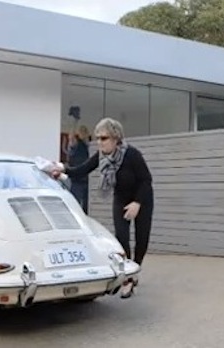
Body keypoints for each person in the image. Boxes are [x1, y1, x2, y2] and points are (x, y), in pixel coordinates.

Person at [52, 117, 154, 299]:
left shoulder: (132, 155)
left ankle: (136, 268)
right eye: (97, 138)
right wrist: (61, 170)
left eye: (104, 138)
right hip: (121, 198)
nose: (99, 142)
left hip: (142, 199)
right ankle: (128, 278)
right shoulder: (102, 156)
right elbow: (82, 170)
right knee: (121, 237)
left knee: (142, 239)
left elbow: (146, 180)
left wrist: (137, 203)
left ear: (116, 138)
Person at [66, 125, 91, 213]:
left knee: (86, 207)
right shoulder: (76, 145)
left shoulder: (88, 147)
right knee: (75, 206)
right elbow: (71, 139)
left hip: (86, 180)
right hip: (77, 180)